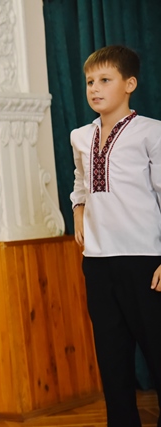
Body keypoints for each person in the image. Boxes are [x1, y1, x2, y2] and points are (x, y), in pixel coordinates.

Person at [70, 45, 161, 427]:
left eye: (105, 80)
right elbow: (80, 183)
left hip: (146, 262)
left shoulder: (152, 132)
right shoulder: (79, 136)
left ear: (130, 84)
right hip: (98, 262)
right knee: (112, 359)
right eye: (90, 81)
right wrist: (78, 209)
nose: (95, 88)